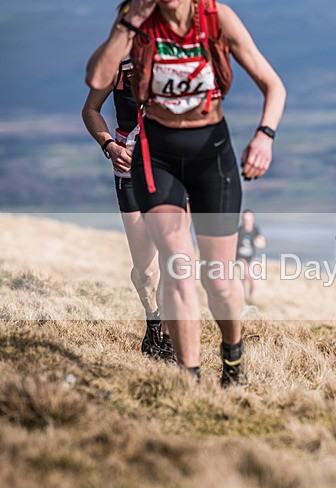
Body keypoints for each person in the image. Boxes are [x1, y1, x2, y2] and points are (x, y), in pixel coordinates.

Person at [86, 0, 286, 385]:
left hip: (211, 156)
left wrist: (265, 135)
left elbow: (273, 86)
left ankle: (232, 353)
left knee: (219, 280)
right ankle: (189, 380)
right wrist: (128, 24)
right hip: (156, 156)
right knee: (177, 265)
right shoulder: (137, 22)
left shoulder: (216, 17)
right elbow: (96, 81)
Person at [81, 32, 174, 362]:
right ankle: (153, 318)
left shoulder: (180, 55)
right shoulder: (119, 61)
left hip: (173, 170)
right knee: (146, 271)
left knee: (172, 256)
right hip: (130, 170)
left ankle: (167, 335)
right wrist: (109, 145)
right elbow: (91, 109)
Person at [236, 209, 266, 304]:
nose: (247, 221)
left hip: (251, 258)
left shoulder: (255, 229)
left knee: (250, 279)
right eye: (245, 219)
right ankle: (242, 299)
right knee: (246, 274)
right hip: (240, 258)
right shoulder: (239, 230)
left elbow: (262, 242)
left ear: (253, 219)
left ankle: (250, 298)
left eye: (249, 219)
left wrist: (259, 242)